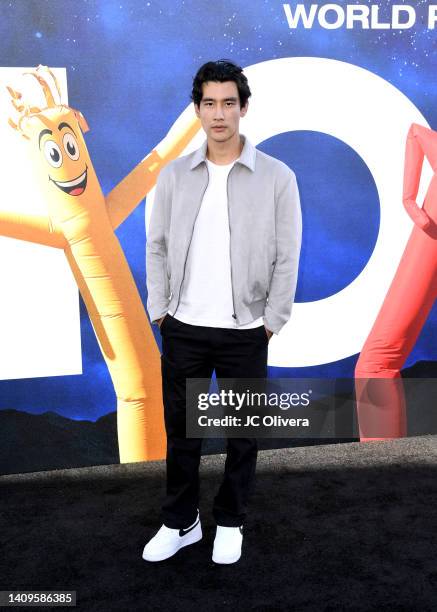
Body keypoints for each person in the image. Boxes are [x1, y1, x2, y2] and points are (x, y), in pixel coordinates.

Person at [143, 59, 302, 564]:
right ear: (197, 110)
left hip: (245, 330)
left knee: (242, 436)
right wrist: (160, 310)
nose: (219, 114)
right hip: (184, 327)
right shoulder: (173, 176)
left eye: (228, 103)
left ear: (244, 108)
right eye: (209, 103)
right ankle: (181, 522)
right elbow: (157, 245)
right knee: (182, 434)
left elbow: (287, 252)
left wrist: (273, 319)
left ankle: (230, 522)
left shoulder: (277, 176)